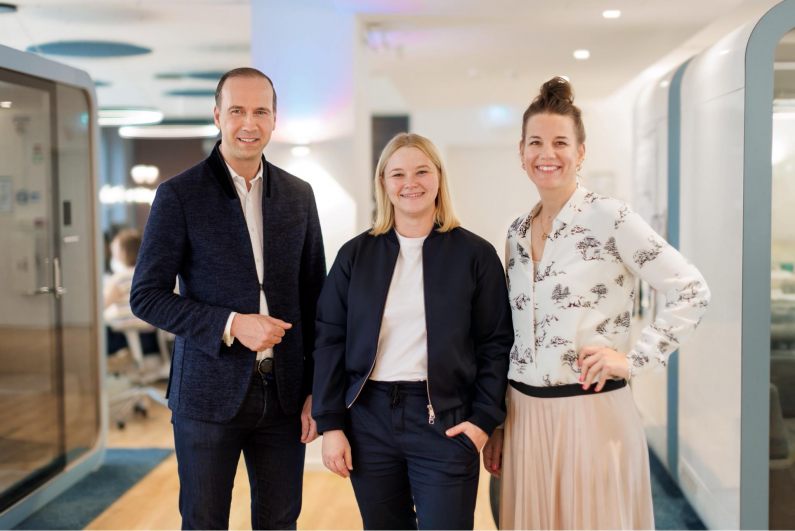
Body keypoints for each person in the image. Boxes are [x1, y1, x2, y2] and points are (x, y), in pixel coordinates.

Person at [483, 77, 710, 530]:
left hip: (591, 413)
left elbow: (691, 289)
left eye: (560, 142)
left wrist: (635, 359)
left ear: (580, 152)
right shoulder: (514, 233)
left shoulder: (611, 217)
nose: (547, 153)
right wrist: (499, 422)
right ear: (522, 153)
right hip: (524, 417)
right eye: (536, 142)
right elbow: (510, 332)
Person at [130, 67, 326, 530]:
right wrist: (232, 323)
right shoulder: (178, 195)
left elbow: (316, 300)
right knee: (204, 522)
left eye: (260, 111)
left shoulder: (300, 196)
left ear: (275, 119)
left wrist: (319, 389)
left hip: (285, 397)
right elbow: (146, 296)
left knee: (280, 522)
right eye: (237, 110)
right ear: (218, 116)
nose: (249, 123)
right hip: (205, 397)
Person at [312, 132, 513, 530]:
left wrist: (483, 421)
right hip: (369, 420)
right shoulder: (356, 255)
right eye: (397, 173)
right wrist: (331, 424)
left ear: (438, 178)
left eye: (422, 171)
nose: (410, 183)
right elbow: (329, 338)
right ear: (383, 183)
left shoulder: (475, 255)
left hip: (446, 420)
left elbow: (496, 343)